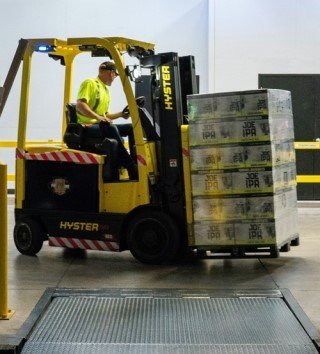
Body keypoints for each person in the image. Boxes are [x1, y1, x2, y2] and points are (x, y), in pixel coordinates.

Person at [76, 61, 137, 179]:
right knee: (110, 127)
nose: (115, 78)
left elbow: (105, 115)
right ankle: (130, 165)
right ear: (109, 72)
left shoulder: (105, 90)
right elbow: (80, 105)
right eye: (115, 74)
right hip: (87, 126)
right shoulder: (90, 83)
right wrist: (98, 118)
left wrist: (120, 114)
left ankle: (136, 160)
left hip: (100, 125)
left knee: (131, 127)